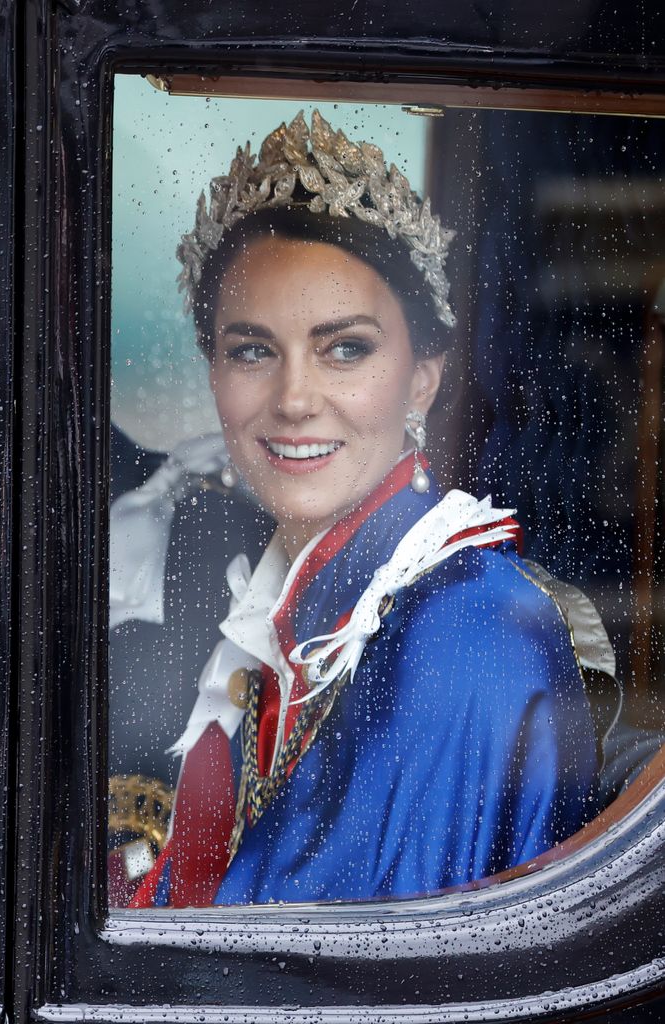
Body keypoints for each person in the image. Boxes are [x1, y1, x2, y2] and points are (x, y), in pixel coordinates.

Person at [126, 111, 615, 909]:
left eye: (344, 348)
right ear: (213, 374)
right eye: (251, 350)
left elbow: (327, 970)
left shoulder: (469, 629)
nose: (292, 400)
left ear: (422, 377)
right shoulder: (297, 611)